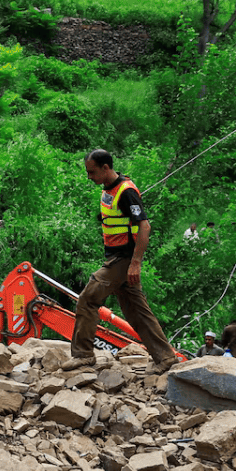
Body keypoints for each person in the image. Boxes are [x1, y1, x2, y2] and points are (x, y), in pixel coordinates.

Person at [72, 149, 177, 371]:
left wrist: (136, 263)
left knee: (88, 299)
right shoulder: (109, 189)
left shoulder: (127, 192)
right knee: (136, 311)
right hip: (115, 257)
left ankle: (83, 355)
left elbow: (144, 226)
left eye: (92, 172)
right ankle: (166, 357)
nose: (89, 177)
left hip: (123, 260)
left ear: (105, 168)